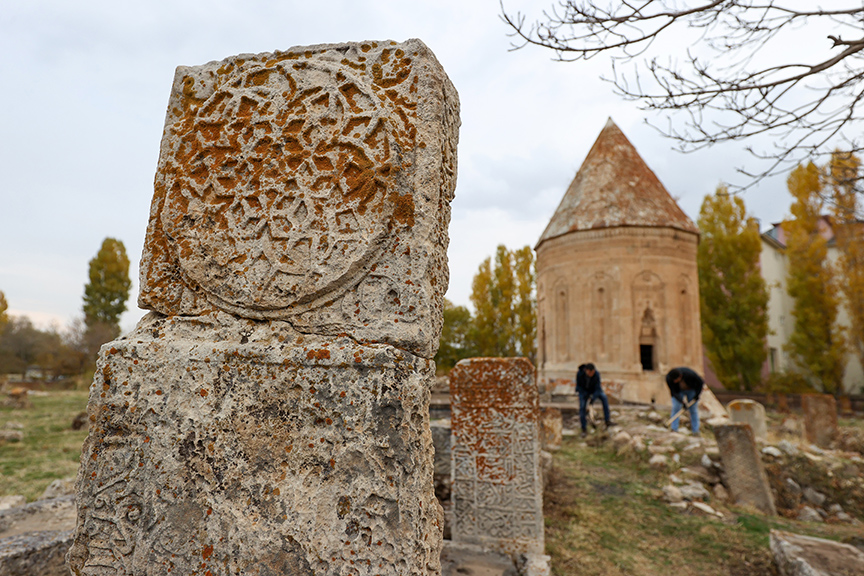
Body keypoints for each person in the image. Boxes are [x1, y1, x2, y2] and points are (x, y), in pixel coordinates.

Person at [576, 363, 615, 436]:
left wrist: (593, 399)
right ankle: (584, 429)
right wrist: (585, 395)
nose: (591, 374)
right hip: (583, 392)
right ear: (586, 371)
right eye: (590, 373)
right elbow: (579, 387)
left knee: (604, 397)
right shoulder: (580, 374)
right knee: (582, 407)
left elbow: (598, 388)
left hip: (594, 391)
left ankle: (607, 420)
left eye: (593, 373)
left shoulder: (596, 374)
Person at [665, 367, 704, 434]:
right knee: (676, 408)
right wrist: (682, 402)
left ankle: (696, 431)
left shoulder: (690, 374)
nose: (674, 381)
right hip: (679, 391)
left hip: (691, 390)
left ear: (680, 376)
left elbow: (700, 383)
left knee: (693, 410)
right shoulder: (669, 379)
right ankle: (674, 429)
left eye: (676, 380)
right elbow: (674, 392)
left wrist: (697, 395)